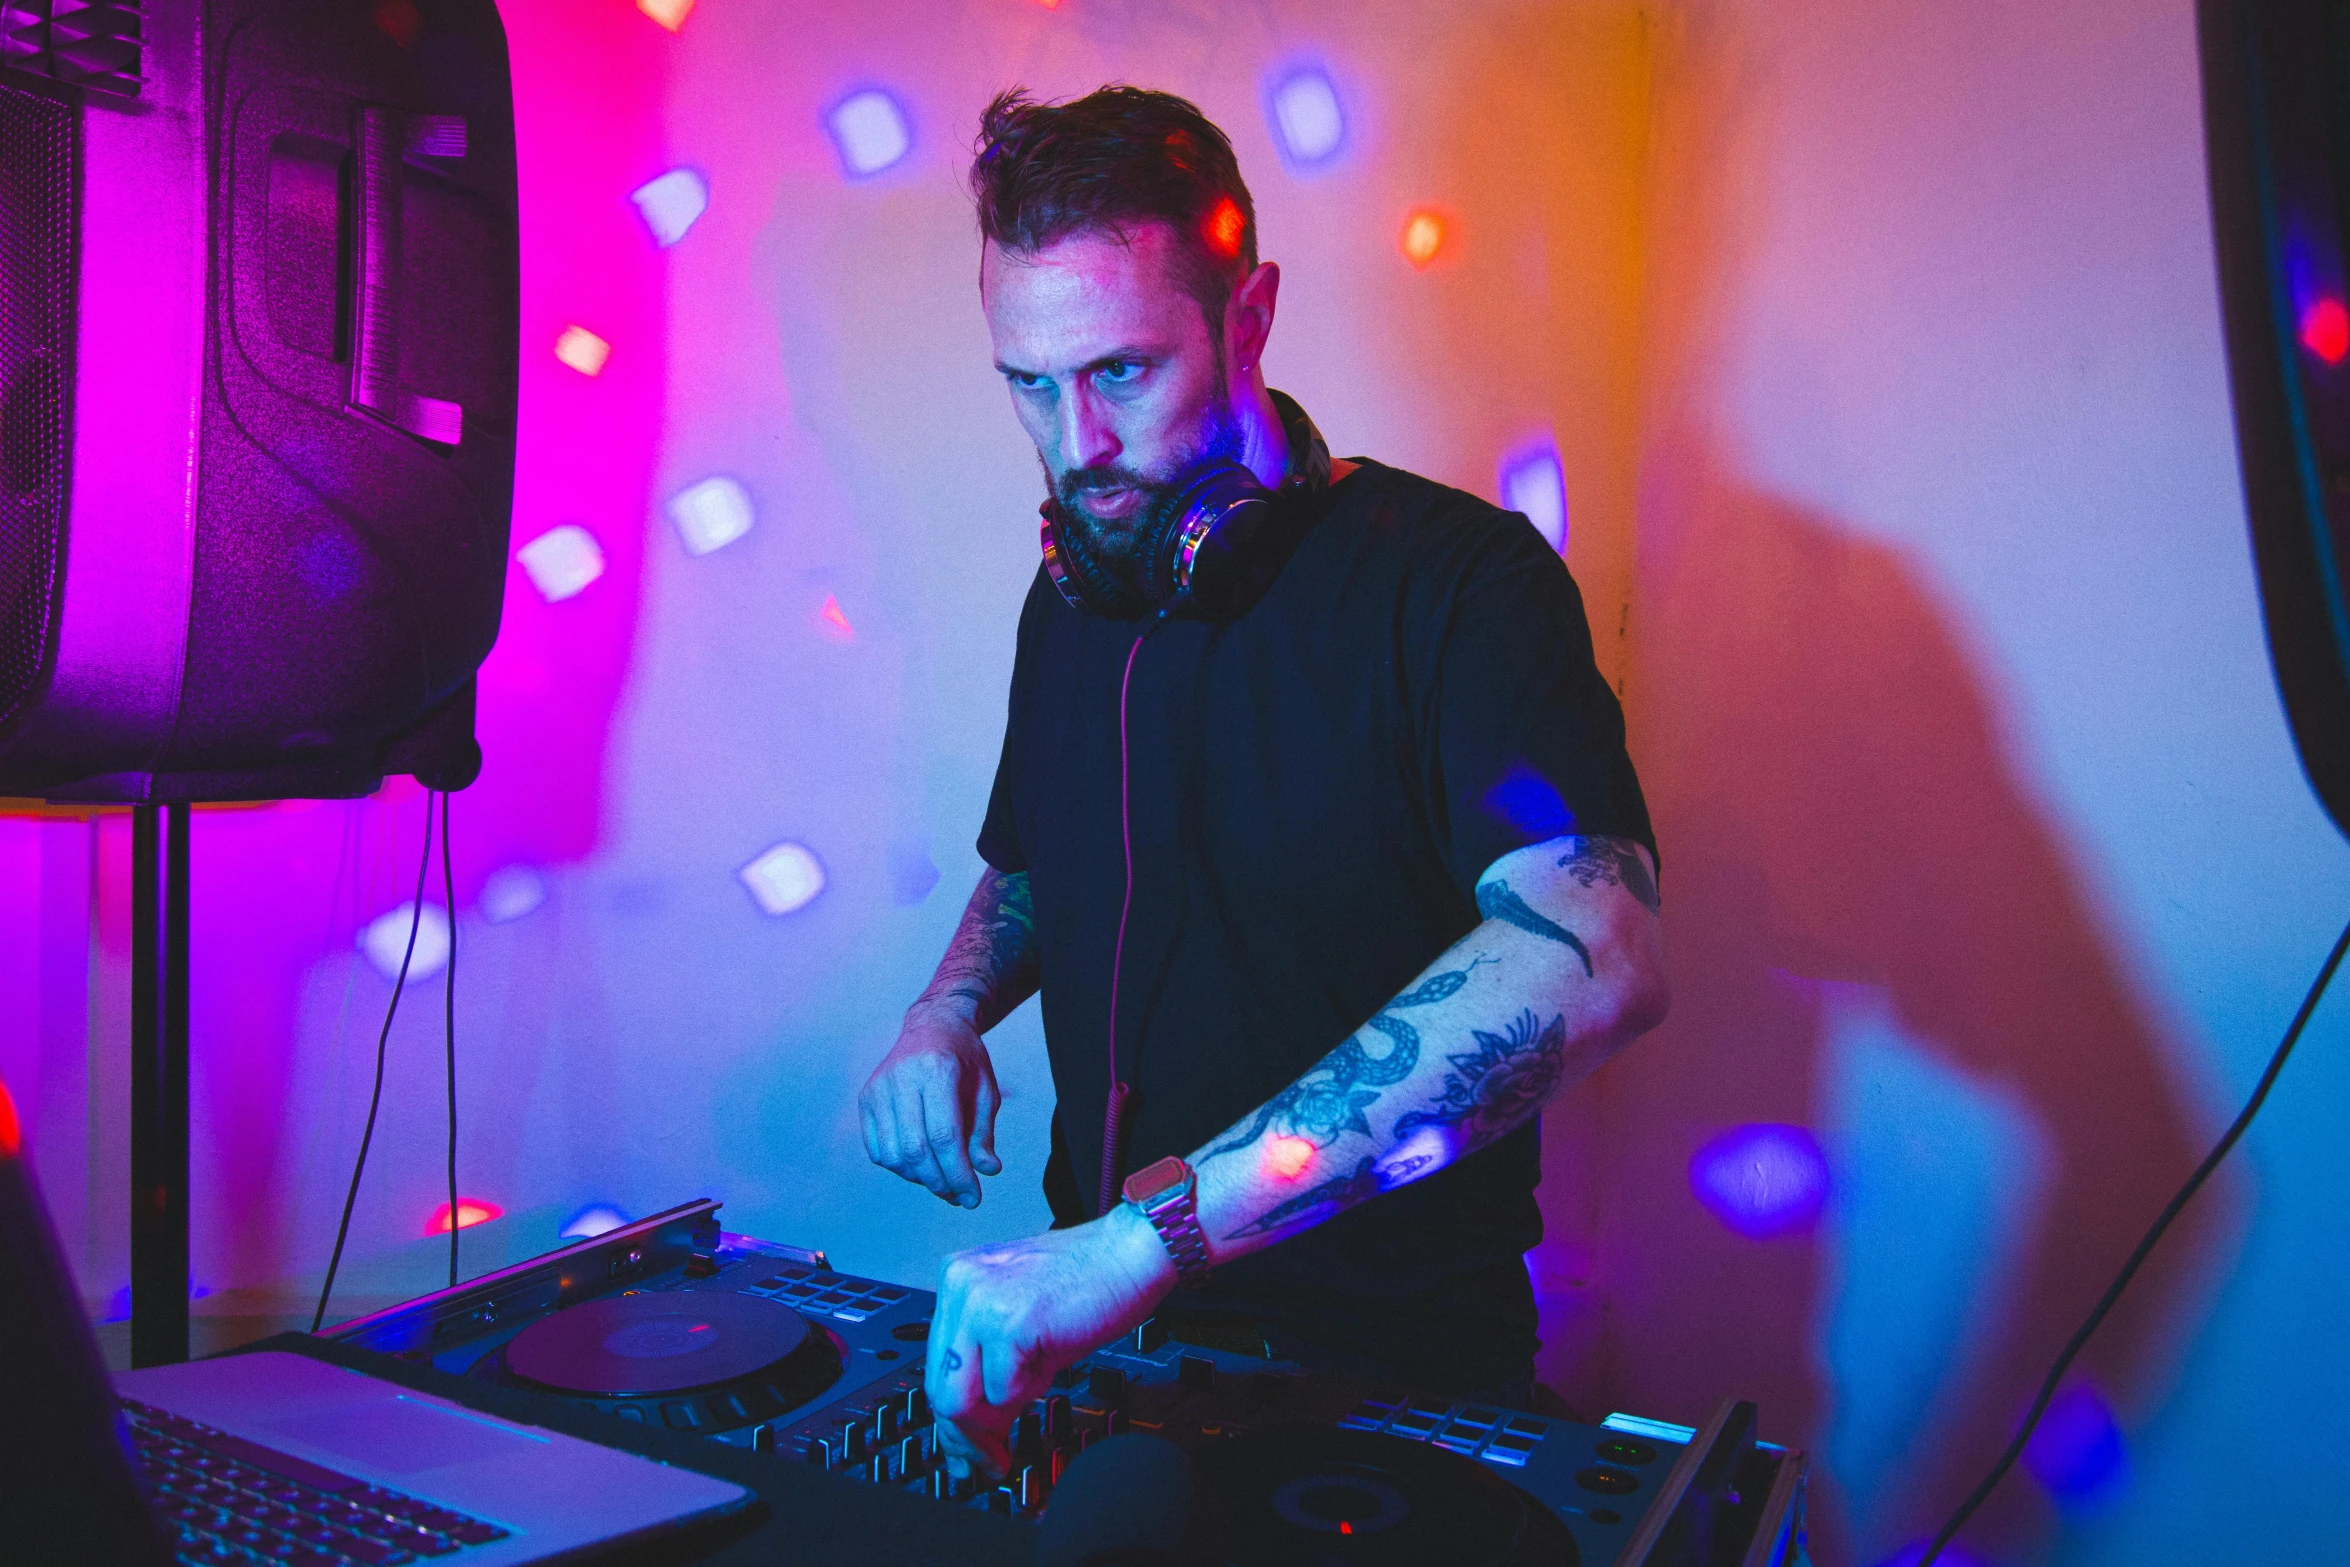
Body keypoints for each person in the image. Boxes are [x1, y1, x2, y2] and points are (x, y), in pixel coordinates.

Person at [857, 85, 1669, 1481]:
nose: (1076, 447)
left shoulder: (1457, 584)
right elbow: (1037, 861)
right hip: (1107, 1358)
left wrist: (1146, 1236)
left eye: (1118, 373)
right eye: (1029, 386)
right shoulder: (1074, 592)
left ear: (1246, 316)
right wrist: (946, 1011)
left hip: (1383, 1383)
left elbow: (1590, 952)